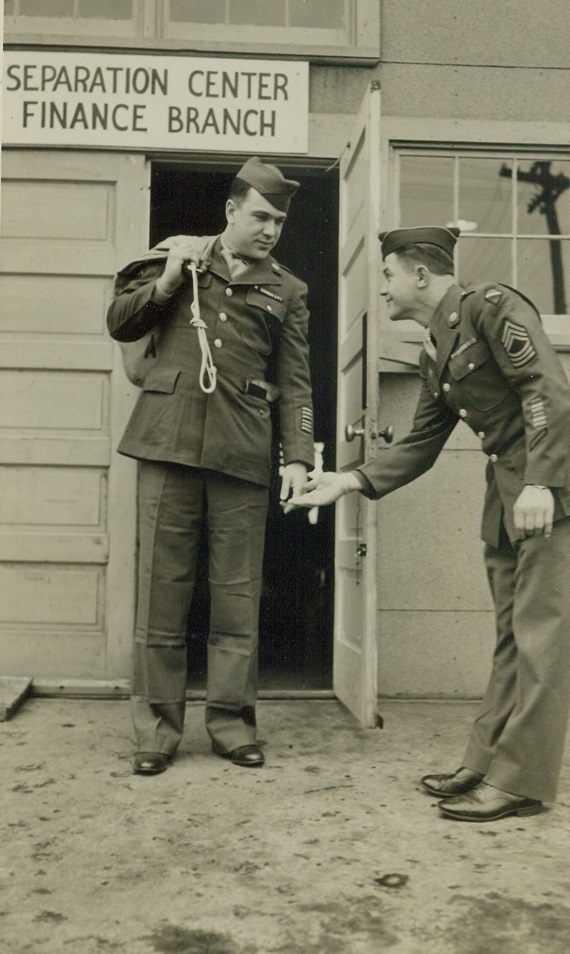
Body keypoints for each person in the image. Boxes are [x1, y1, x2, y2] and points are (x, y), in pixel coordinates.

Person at [286, 225, 570, 822]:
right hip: (508, 495)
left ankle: (522, 782)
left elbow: (545, 391)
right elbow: (420, 442)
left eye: (387, 274)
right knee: (511, 639)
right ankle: (485, 761)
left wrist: (544, 480)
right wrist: (350, 480)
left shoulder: (494, 308)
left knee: (542, 641)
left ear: (421, 274)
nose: (382, 287)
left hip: (546, 494)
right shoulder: (434, 349)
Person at [107, 157, 315, 775]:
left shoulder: (289, 290)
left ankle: (230, 724)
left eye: (278, 220)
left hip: (242, 452)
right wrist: (170, 279)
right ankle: (157, 731)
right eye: (260, 216)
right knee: (160, 594)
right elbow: (119, 322)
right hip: (167, 444)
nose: (270, 230)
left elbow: (296, 384)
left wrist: (298, 458)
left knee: (236, 597)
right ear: (231, 212)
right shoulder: (176, 259)